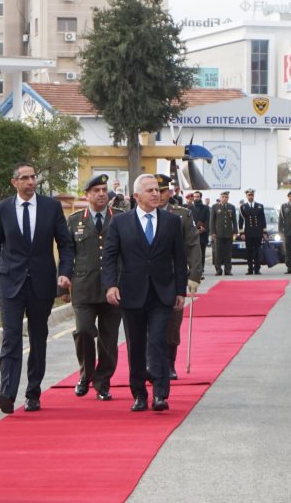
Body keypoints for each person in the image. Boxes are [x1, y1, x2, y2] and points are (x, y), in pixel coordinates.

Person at [0, 162, 74, 414]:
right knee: (11, 338)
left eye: (33, 177)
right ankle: (8, 394)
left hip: (41, 284)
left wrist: (65, 273)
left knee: (38, 338)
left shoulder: (51, 207)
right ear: (15, 182)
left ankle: (33, 392)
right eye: (25, 178)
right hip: (10, 283)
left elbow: (65, 244)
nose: (31, 182)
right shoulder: (2, 209)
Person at [102, 174, 187, 412]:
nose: (156, 194)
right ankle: (139, 393)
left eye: (158, 190)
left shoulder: (171, 221)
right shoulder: (120, 222)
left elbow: (179, 259)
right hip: (131, 293)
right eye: (150, 190)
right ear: (136, 196)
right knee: (136, 345)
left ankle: (160, 393)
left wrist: (180, 290)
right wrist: (110, 285)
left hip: (162, 293)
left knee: (159, 341)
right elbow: (109, 256)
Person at [65, 174, 122, 401]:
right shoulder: (74, 220)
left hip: (114, 288)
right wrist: (62, 286)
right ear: (87, 195)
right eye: (96, 190)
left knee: (109, 339)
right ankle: (85, 374)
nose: (101, 194)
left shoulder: (120, 218)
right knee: (85, 332)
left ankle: (103, 382)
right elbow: (68, 255)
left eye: (104, 189)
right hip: (83, 288)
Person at [156, 174, 203, 380]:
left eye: (162, 191)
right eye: (154, 191)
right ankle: (152, 363)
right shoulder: (137, 214)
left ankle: (169, 362)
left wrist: (194, 275)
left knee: (172, 322)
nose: (158, 195)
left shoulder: (181, 215)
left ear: (169, 192)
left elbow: (193, 245)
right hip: (146, 278)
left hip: (174, 277)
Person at [239, 188, 267, 275]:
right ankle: (250, 268)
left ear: (253, 196)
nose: (250, 196)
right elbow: (240, 221)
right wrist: (242, 233)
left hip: (257, 232)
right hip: (248, 232)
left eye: (251, 195)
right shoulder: (243, 207)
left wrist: (264, 232)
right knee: (249, 251)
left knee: (258, 251)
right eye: (249, 195)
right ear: (246, 196)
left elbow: (263, 219)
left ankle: (257, 269)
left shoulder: (259, 206)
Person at [209, 191, 238, 276]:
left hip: (228, 233)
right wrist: (212, 232)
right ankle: (218, 270)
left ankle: (227, 270)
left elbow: (234, 221)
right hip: (218, 234)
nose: (224, 198)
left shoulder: (231, 207)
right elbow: (212, 221)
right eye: (223, 197)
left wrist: (235, 232)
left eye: (226, 197)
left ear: (228, 198)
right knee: (218, 253)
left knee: (228, 253)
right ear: (220, 198)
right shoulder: (215, 207)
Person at [190, 191, 210, 275]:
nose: (196, 198)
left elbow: (208, 219)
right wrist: (193, 229)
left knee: (202, 252)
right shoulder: (189, 208)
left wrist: (204, 228)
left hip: (203, 233)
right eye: (194, 197)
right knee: (193, 252)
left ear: (200, 197)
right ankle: (194, 269)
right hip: (193, 233)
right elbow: (188, 220)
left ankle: (201, 269)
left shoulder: (205, 208)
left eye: (197, 197)